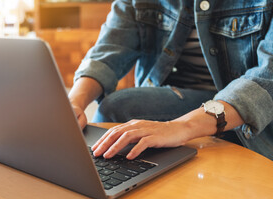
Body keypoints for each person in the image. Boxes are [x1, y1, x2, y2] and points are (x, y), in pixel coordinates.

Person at [68, 0, 273, 160]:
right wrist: (73, 103)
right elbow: (110, 48)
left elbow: (267, 78)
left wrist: (180, 127)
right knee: (116, 111)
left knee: (120, 106)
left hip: (244, 110)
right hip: (177, 96)